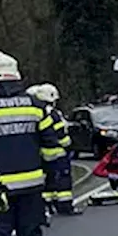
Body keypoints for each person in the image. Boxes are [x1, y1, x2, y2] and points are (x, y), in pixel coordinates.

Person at [0, 52, 65, 236]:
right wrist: (53, 181)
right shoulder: (36, 106)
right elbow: (53, 149)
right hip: (32, 186)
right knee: (31, 232)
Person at [26, 84, 74, 216]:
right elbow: (60, 134)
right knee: (63, 180)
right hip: (58, 153)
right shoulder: (53, 113)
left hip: (42, 155)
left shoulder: (36, 112)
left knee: (49, 181)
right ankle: (65, 206)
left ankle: (47, 206)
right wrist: (68, 145)